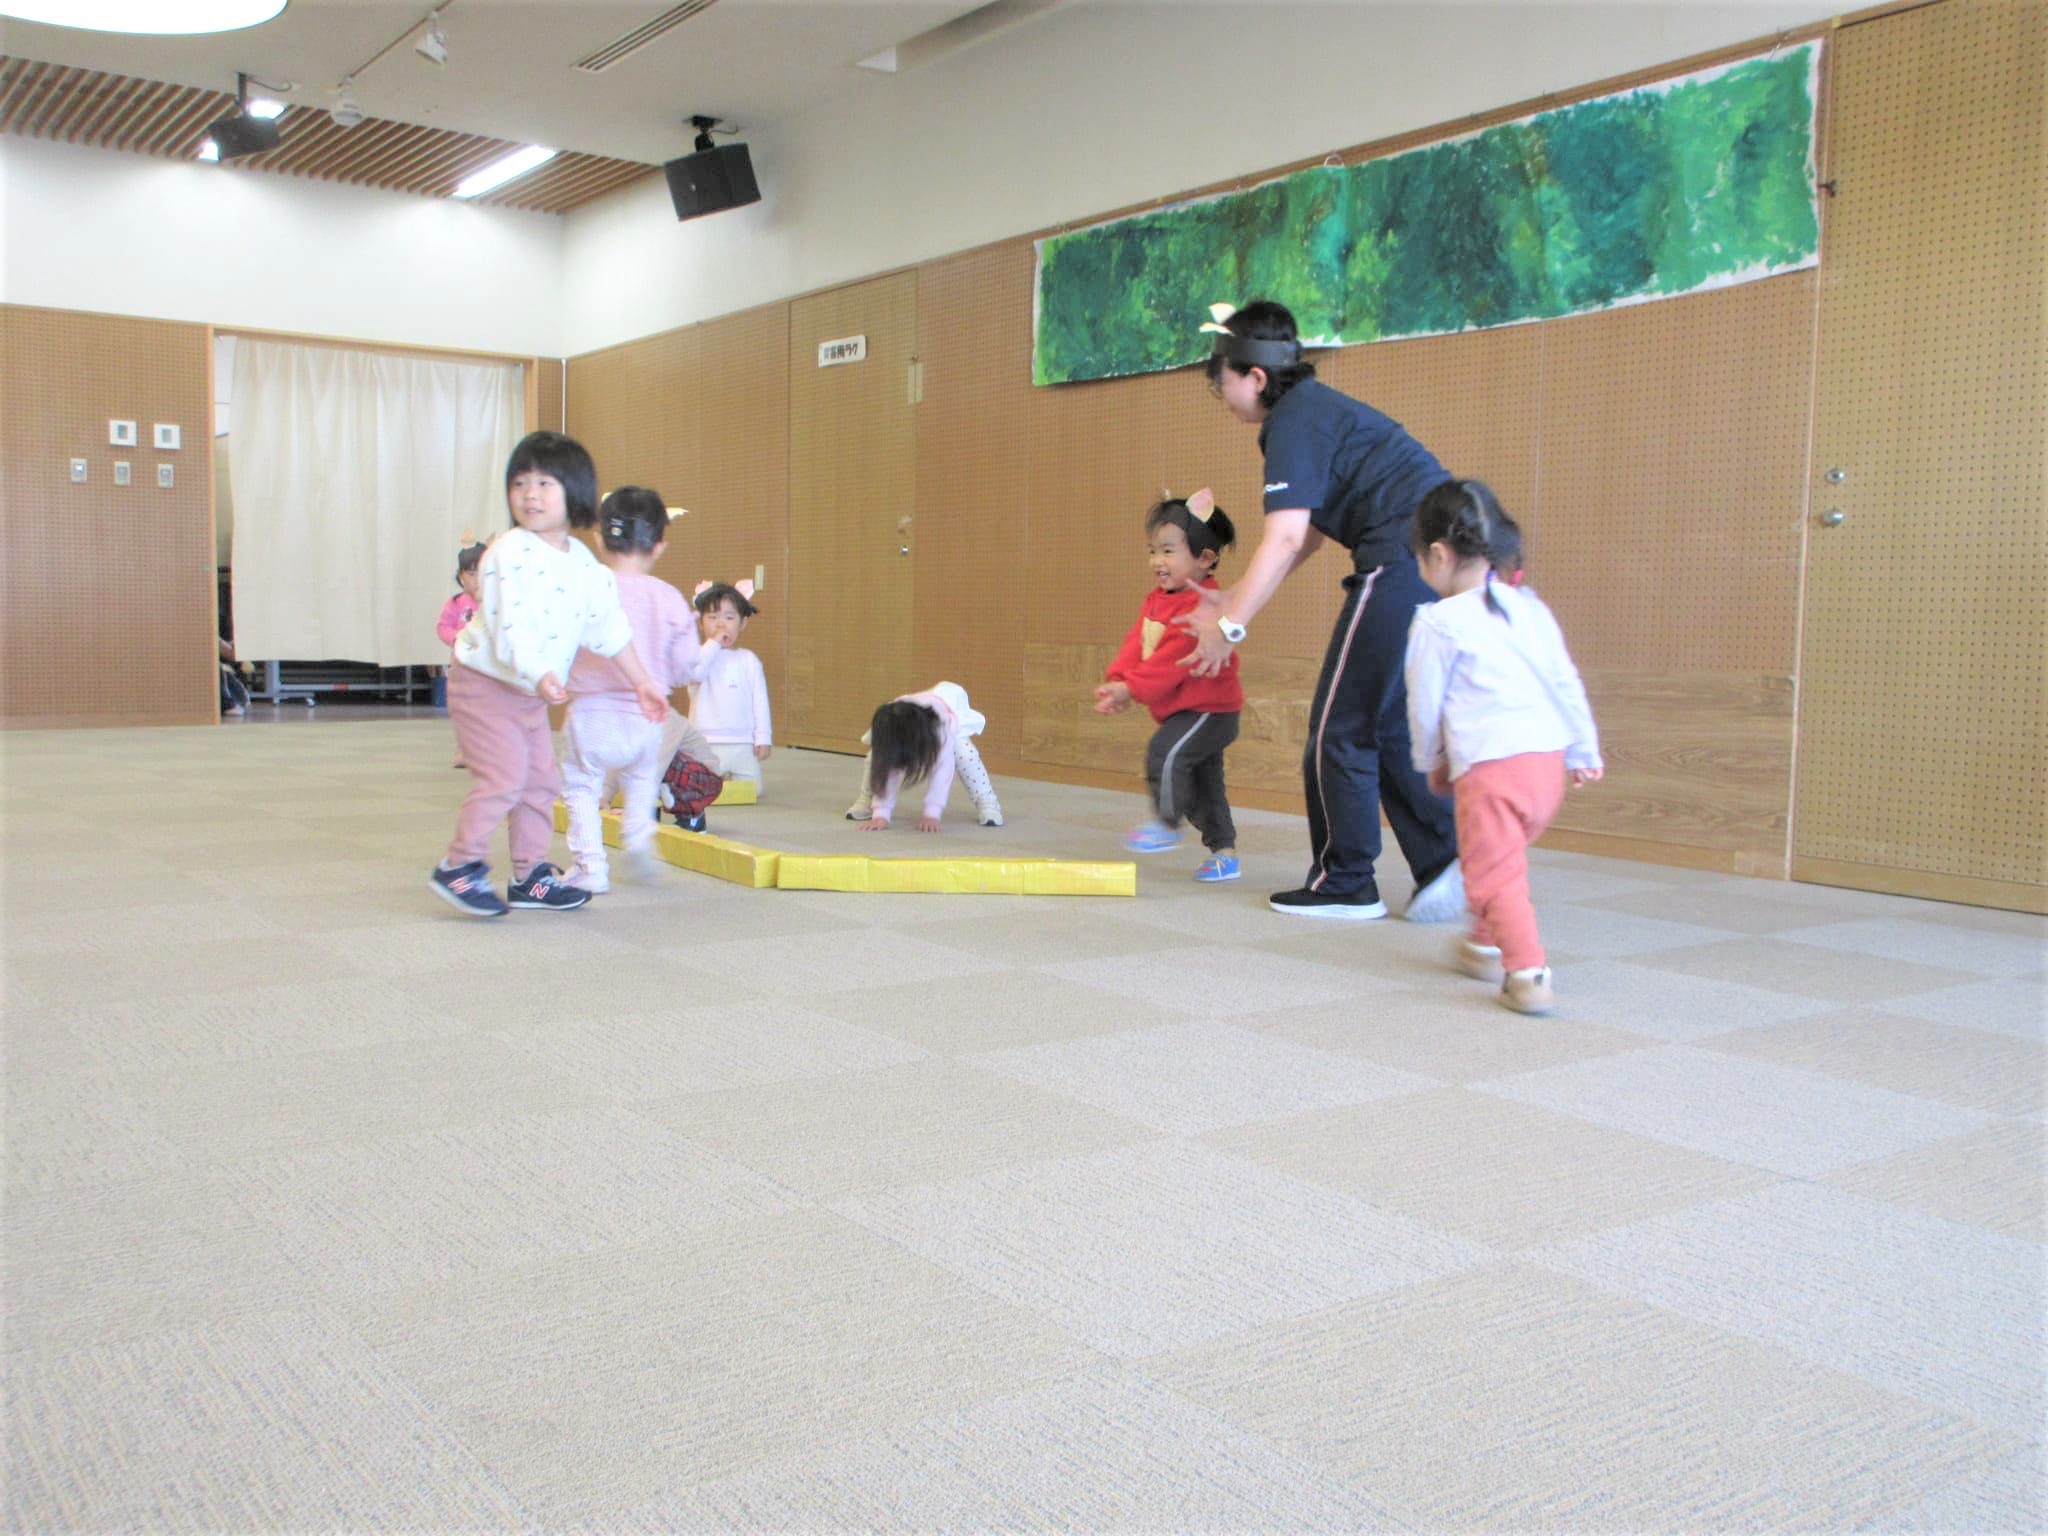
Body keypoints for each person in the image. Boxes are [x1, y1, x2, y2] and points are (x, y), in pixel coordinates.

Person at [1181, 299, 1462, 923]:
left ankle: (1346, 883)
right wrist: (1234, 597)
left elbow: (1284, 538)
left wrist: (1229, 626)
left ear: (1255, 376)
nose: (1222, 397)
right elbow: (1303, 536)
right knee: (1380, 724)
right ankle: (1445, 863)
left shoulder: (1292, 422)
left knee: (1339, 729)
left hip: (1400, 558)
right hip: (1430, 558)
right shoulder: (1311, 412)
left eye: (1222, 382)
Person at [430, 431, 666, 918]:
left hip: (529, 692)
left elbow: (609, 628)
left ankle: (529, 875)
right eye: (520, 483)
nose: (530, 494)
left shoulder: (583, 563)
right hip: (484, 683)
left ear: (573, 492)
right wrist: (539, 673)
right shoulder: (507, 552)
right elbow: (508, 625)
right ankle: (459, 865)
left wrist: (641, 681)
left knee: (540, 782)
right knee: (504, 776)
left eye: (544, 483)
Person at [1404, 479, 1603, 1014]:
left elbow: (1424, 705)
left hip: (1491, 768)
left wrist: (1430, 760)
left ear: (1438, 555)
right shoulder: (1529, 609)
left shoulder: (1438, 622)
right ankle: (1484, 943)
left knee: (1493, 873)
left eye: (1419, 558)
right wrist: (1584, 750)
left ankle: (1527, 971)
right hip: (1547, 766)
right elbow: (1565, 680)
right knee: (1499, 861)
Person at [559, 487, 710, 893]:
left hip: (591, 713)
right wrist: (666, 674)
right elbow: (686, 664)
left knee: (581, 784)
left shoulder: (586, 587)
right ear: (659, 546)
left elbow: (561, 640)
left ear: (598, 539)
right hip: (647, 715)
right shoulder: (667, 597)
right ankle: (639, 835)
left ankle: (591, 866)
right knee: (642, 774)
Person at [1095, 490, 1245, 883]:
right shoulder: (1158, 600)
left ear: (1204, 558)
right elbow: (1138, 642)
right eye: (1153, 552)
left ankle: (1165, 823)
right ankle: (1225, 854)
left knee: (1165, 753)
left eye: (1167, 551)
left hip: (1211, 710)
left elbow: (1171, 661)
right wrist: (1119, 680)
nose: (1157, 561)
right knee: (1203, 787)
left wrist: (1132, 689)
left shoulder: (1203, 606)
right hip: (1186, 711)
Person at [846, 683, 1004, 831]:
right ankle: (867, 799)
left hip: (948, 713)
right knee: (875, 757)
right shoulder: (889, 723)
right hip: (910, 720)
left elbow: (942, 772)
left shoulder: (939, 730)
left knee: (965, 754)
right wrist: (881, 813)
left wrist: (932, 813)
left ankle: (987, 801)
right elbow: (885, 769)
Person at [688, 581, 774, 794]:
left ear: (742, 623)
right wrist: (714, 643)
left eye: (729, 618)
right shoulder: (697, 656)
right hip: (705, 742)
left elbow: (760, 702)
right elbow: (696, 673)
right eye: (712, 617)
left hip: (743, 742)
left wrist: (763, 737)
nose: (721, 625)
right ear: (700, 623)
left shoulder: (748, 659)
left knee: (753, 791)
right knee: (699, 791)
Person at [438, 538, 485, 766]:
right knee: (462, 708)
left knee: (486, 708)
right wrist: (457, 637)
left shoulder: (494, 602)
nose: (476, 580)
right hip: (462, 665)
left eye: (481, 573)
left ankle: (485, 749)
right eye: (471, 573)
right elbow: (443, 627)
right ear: (460, 576)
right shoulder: (456, 603)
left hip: (487, 666)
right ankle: (464, 748)